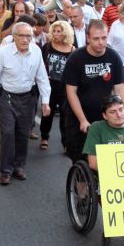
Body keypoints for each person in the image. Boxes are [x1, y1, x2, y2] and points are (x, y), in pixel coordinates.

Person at [0, 22, 51, 184]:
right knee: (8, 133)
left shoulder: (36, 51)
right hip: (7, 97)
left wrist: (45, 101)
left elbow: (42, 77)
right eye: (21, 36)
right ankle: (6, 170)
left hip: (28, 98)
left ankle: (19, 166)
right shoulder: (4, 53)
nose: (25, 39)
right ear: (14, 37)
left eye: (28, 36)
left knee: (23, 133)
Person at [63, 19, 124, 162]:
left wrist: (122, 115)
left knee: (106, 160)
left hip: (104, 116)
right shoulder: (76, 58)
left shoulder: (113, 57)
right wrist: (82, 120)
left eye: (104, 38)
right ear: (88, 38)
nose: (100, 42)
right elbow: (71, 92)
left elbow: (119, 89)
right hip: (79, 116)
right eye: (96, 38)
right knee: (81, 159)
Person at [40, 20, 74, 152]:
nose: (55, 34)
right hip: (50, 85)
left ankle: (66, 142)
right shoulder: (47, 47)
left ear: (65, 33)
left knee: (65, 115)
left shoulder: (72, 49)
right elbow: (41, 64)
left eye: (59, 31)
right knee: (47, 112)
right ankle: (44, 137)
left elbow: (74, 69)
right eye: (54, 31)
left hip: (65, 86)